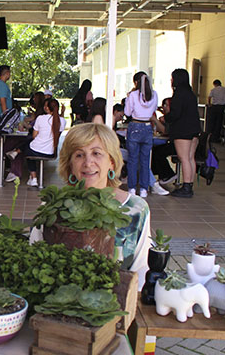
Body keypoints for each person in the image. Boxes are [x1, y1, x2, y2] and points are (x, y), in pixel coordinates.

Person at [33, 123, 151, 289]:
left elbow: (141, 270)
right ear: (70, 164)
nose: (88, 163)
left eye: (97, 153)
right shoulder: (52, 207)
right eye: (79, 155)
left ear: (111, 161)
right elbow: (34, 258)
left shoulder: (136, 209)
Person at [6, 98, 65, 187]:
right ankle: (16, 152)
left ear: (47, 108)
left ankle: (33, 178)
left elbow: (34, 136)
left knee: (29, 147)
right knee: (29, 145)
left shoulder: (40, 118)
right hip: (51, 152)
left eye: (45, 106)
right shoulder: (62, 121)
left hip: (35, 149)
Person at [164, 69, 202, 198]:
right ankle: (189, 184)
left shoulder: (179, 94)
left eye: (172, 78)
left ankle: (186, 186)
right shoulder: (191, 94)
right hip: (194, 130)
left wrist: (166, 117)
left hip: (182, 130)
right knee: (191, 158)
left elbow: (176, 114)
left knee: (184, 158)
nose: (171, 80)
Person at [124, 71, 158, 198]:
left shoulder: (133, 95)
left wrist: (128, 98)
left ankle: (132, 188)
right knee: (145, 160)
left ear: (136, 82)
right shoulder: (154, 95)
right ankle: (144, 189)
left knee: (132, 159)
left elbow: (127, 112)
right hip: (148, 127)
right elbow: (153, 110)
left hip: (135, 126)